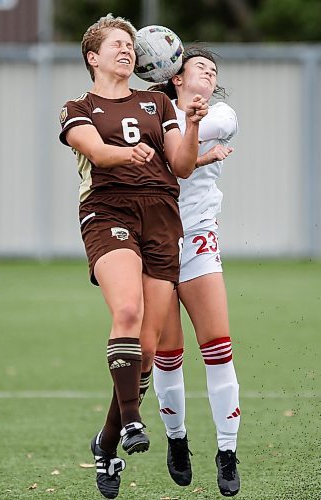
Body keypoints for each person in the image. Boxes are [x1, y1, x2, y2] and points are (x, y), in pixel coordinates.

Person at [58, 15, 208, 499]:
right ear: (92, 58)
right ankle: (132, 423)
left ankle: (106, 443)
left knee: (145, 350)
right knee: (126, 311)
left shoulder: (158, 101)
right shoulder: (78, 106)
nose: (126, 50)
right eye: (115, 45)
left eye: (130, 45)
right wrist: (131, 155)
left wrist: (192, 125)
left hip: (162, 218)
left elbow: (181, 166)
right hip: (108, 211)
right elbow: (99, 153)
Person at [150, 45, 241, 497]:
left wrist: (188, 118)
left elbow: (214, 126)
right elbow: (163, 159)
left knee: (218, 347)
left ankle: (227, 452)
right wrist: (179, 122)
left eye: (214, 70)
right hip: (157, 241)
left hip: (200, 237)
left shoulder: (220, 113)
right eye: (199, 67)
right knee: (168, 353)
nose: (209, 72)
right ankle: (177, 440)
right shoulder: (155, 114)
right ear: (175, 76)